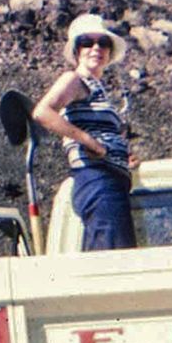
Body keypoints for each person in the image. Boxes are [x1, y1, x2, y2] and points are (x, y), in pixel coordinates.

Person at [32, 13, 139, 251]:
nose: (96, 48)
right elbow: (42, 112)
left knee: (110, 254)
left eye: (103, 43)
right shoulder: (74, 80)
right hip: (97, 179)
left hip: (109, 180)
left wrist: (123, 155)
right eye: (87, 43)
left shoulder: (98, 89)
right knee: (114, 260)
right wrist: (88, 141)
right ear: (77, 51)